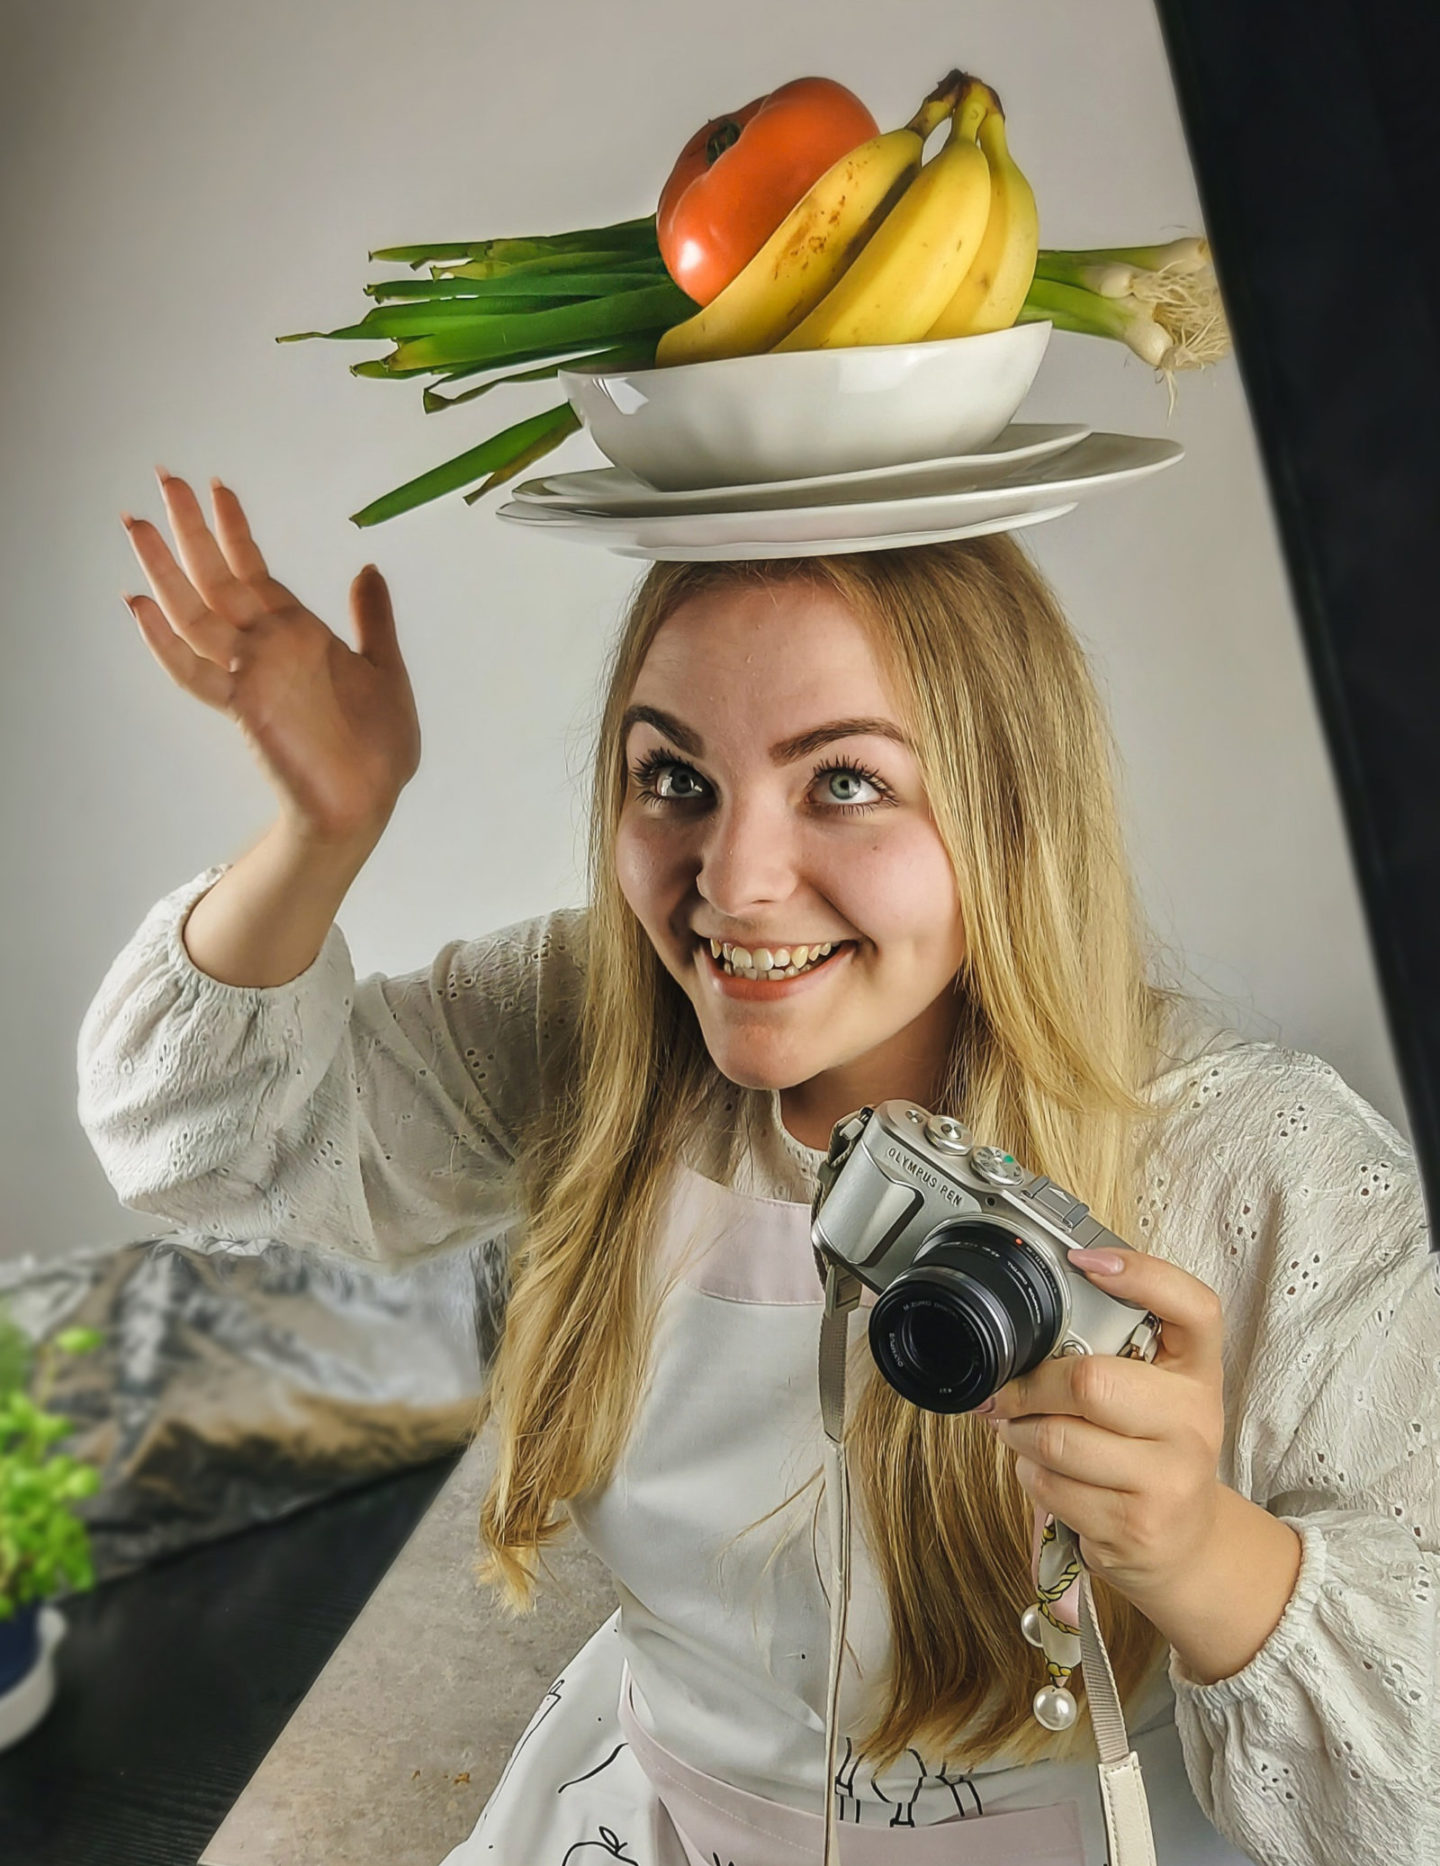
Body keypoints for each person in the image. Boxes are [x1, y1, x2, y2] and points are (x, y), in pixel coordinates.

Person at [78, 470, 1437, 1866]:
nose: (733, 879)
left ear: (1007, 804)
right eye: (676, 778)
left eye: (843, 781)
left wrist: (1203, 1553)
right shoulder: (598, 1028)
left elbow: (1413, 1796)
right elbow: (204, 1142)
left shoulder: (1258, 1167)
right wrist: (324, 830)